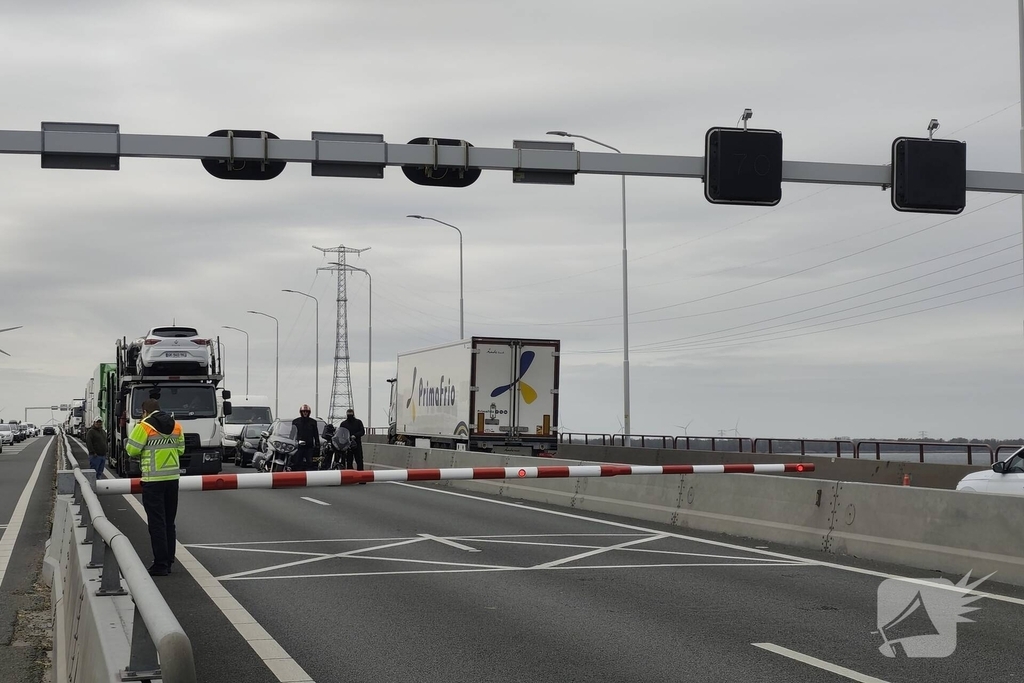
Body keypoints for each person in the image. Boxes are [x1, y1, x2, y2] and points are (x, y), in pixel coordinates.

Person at [125, 398, 185, 577]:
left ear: (145, 412)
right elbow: (181, 449)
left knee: (156, 523)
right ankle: (169, 560)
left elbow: (132, 450)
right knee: (169, 522)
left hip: (153, 480)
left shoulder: (144, 426)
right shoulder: (176, 425)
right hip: (173, 478)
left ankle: (160, 564)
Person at [290, 404, 320, 472]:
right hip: (298, 446)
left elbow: (316, 434)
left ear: (309, 412)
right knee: (297, 463)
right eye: (304, 411)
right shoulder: (296, 422)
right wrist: (291, 443)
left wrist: (317, 444)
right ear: (301, 412)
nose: (305, 413)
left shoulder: (313, 422)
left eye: (306, 411)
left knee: (310, 463)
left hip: (309, 446)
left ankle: (310, 478)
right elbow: (292, 434)